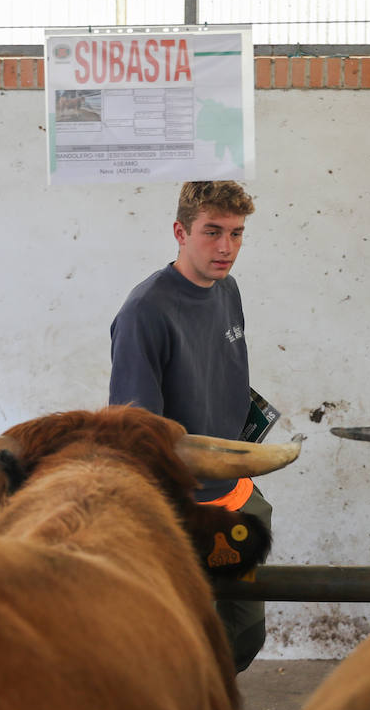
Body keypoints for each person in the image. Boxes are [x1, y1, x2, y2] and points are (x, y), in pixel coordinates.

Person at [109, 180, 269, 672]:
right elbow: (135, 432)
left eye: (237, 234)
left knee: (242, 635)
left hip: (237, 492)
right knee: (182, 651)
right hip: (183, 510)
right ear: (180, 232)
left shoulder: (227, 289)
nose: (226, 248)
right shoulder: (145, 312)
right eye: (212, 232)